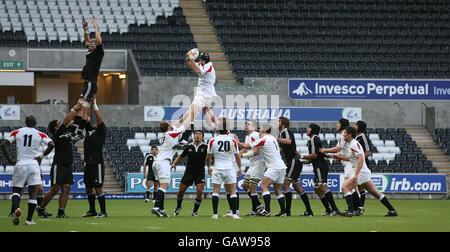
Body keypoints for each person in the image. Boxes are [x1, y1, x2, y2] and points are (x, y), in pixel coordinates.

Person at [332, 127, 398, 217]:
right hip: (364, 172)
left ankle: (351, 211)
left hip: (361, 173)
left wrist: (356, 174)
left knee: (345, 188)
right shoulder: (353, 143)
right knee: (375, 193)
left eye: (345, 133)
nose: (343, 135)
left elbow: (361, 159)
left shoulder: (353, 144)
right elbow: (352, 158)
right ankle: (392, 210)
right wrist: (339, 157)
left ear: (350, 135)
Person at [2, 115, 55, 225]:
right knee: (33, 194)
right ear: (35, 123)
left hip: (20, 163)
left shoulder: (17, 132)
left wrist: (10, 159)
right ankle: (29, 220)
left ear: (25, 122)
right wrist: (41, 156)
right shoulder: (40, 133)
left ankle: (16, 209)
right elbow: (51, 144)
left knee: (16, 191)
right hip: (33, 164)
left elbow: (4, 144)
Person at [37, 105, 83, 219]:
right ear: (55, 127)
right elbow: (67, 120)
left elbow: (77, 121)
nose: (60, 123)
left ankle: (61, 212)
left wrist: (82, 108)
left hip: (67, 164)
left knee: (67, 187)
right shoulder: (57, 134)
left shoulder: (67, 132)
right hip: (59, 164)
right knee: (55, 188)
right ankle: (41, 208)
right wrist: (75, 108)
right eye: (58, 123)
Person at [236, 123, 287, 217]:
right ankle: (283, 211)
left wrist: (237, 142)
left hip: (273, 166)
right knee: (277, 190)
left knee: (264, 187)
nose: (259, 129)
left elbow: (248, 147)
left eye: (261, 128)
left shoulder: (264, 139)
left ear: (264, 130)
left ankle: (267, 210)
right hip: (281, 166)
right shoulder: (272, 138)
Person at [67, 19, 104, 142]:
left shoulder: (98, 52)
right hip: (88, 83)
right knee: (84, 109)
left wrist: (95, 26)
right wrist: (85, 29)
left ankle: (74, 131)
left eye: (92, 45)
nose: (89, 45)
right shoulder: (90, 50)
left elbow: (98, 41)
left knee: (81, 106)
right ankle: (78, 132)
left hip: (90, 83)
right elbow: (87, 41)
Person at [151, 115, 190, 218]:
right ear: (168, 127)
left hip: (157, 162)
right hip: (163, 162)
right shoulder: (170, 134)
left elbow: (177, 123)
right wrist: (191, 117)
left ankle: (161, 210)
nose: (172, 125)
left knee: (162, 186)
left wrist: (185, 115)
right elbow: (184, 127)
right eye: (170, 124)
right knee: (164, 186)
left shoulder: (166, 134)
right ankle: (156, 207)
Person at [301, 124, 341, 216]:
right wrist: (301, 162)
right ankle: (328, 210)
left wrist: (302, 156)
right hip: (318, 166)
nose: (307, 129)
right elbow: (313, 158)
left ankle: (335, 209)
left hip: (320, 166)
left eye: (309, 128)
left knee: (322, 186)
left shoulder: (314, 139)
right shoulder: (313, 139)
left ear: (313, 130)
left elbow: (314, 155)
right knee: (317, 188)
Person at [206, 118, 242, 220]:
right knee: (233, 191)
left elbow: (208, 156)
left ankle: (215, 214)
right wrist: (239, 168)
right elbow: (237, 156)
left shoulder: (212, 140)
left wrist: (209, 167)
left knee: (215, 191)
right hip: (229, 168)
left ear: (218, 129)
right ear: (227, 130)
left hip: (217, 167)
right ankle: (234, 214)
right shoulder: (233, 140)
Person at [277, 117, 312, 216]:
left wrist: (276, 138)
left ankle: (287, 212)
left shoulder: (285, 131)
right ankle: (309, 211)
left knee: (285, 185)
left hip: (293, 161)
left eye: (278, 121)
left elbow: (288, 141)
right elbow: (282, 148)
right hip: (293, 161)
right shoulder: (281, 133)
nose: (277, 123)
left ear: (283, 124)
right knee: (297, 186)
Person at [81, 100, 108, 218]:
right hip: (88, 163)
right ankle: (92, 211)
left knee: (98, 188)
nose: (96, 122)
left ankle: (103, 212)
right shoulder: (90, 131)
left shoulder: (101, 131)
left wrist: (94, 103)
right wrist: (86, 103)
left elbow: (100, 119)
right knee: (88, 187)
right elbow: (85, 117)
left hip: (97, 163)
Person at [320, 118, 353, 215]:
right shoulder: (344, 135)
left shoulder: (343, 134)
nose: (336, 125)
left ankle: (354, 208)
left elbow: (338, 148)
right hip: (348, 163)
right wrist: (334, 156)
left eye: (338, 123)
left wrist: (325, 150)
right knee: (351, 187)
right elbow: (342, 151)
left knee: (347, 187)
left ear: (342, 125)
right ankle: (355, 208)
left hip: (349, 164)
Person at [171, 130, 208, 217]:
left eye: (199, 134)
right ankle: (178, 206)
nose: (197, 136)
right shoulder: (189, 146)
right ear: (193, 136)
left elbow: (211, 156)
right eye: (196, 134)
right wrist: (174, 163)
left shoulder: (206, 147)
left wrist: (210, 166)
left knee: (199, 192)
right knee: (180, 191)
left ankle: (195, 211)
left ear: (202, 136)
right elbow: (181, 156)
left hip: (200, 173)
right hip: (189, 172)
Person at [185, 50, 218, 130]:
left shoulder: (209, 65)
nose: (199, 61)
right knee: (206, 109)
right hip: (205, 90)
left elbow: (197, 71)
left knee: (195, 109)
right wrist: (188, 58)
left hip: (206, 91)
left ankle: (191, 126)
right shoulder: (202, 64)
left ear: (204, 61)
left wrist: (192, 58)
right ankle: (216, 127)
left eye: (201, 60)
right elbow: (190, 66)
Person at [238, 120, 265, 216]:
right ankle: (258, 206)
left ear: (253, 127)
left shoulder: (256, 135)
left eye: (248, 124)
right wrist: (237, 154)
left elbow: (256, 151)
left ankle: (256, 209)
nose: (246, 125)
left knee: (252, 186)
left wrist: (243, 156)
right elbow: (245, 149)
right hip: (253, 163)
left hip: (259, 162)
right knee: (245, 185)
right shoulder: (247, 136)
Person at [354, 120, 373, 215]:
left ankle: (358, 207)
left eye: (356, 125)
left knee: (357, 186)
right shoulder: (356, 137)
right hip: (358, 164)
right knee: (359, 187)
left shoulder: (363, 137)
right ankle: (359, 207)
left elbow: (368, 152)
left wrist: (359, 159)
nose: (354, 126)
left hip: (363, 165)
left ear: (360, 127)